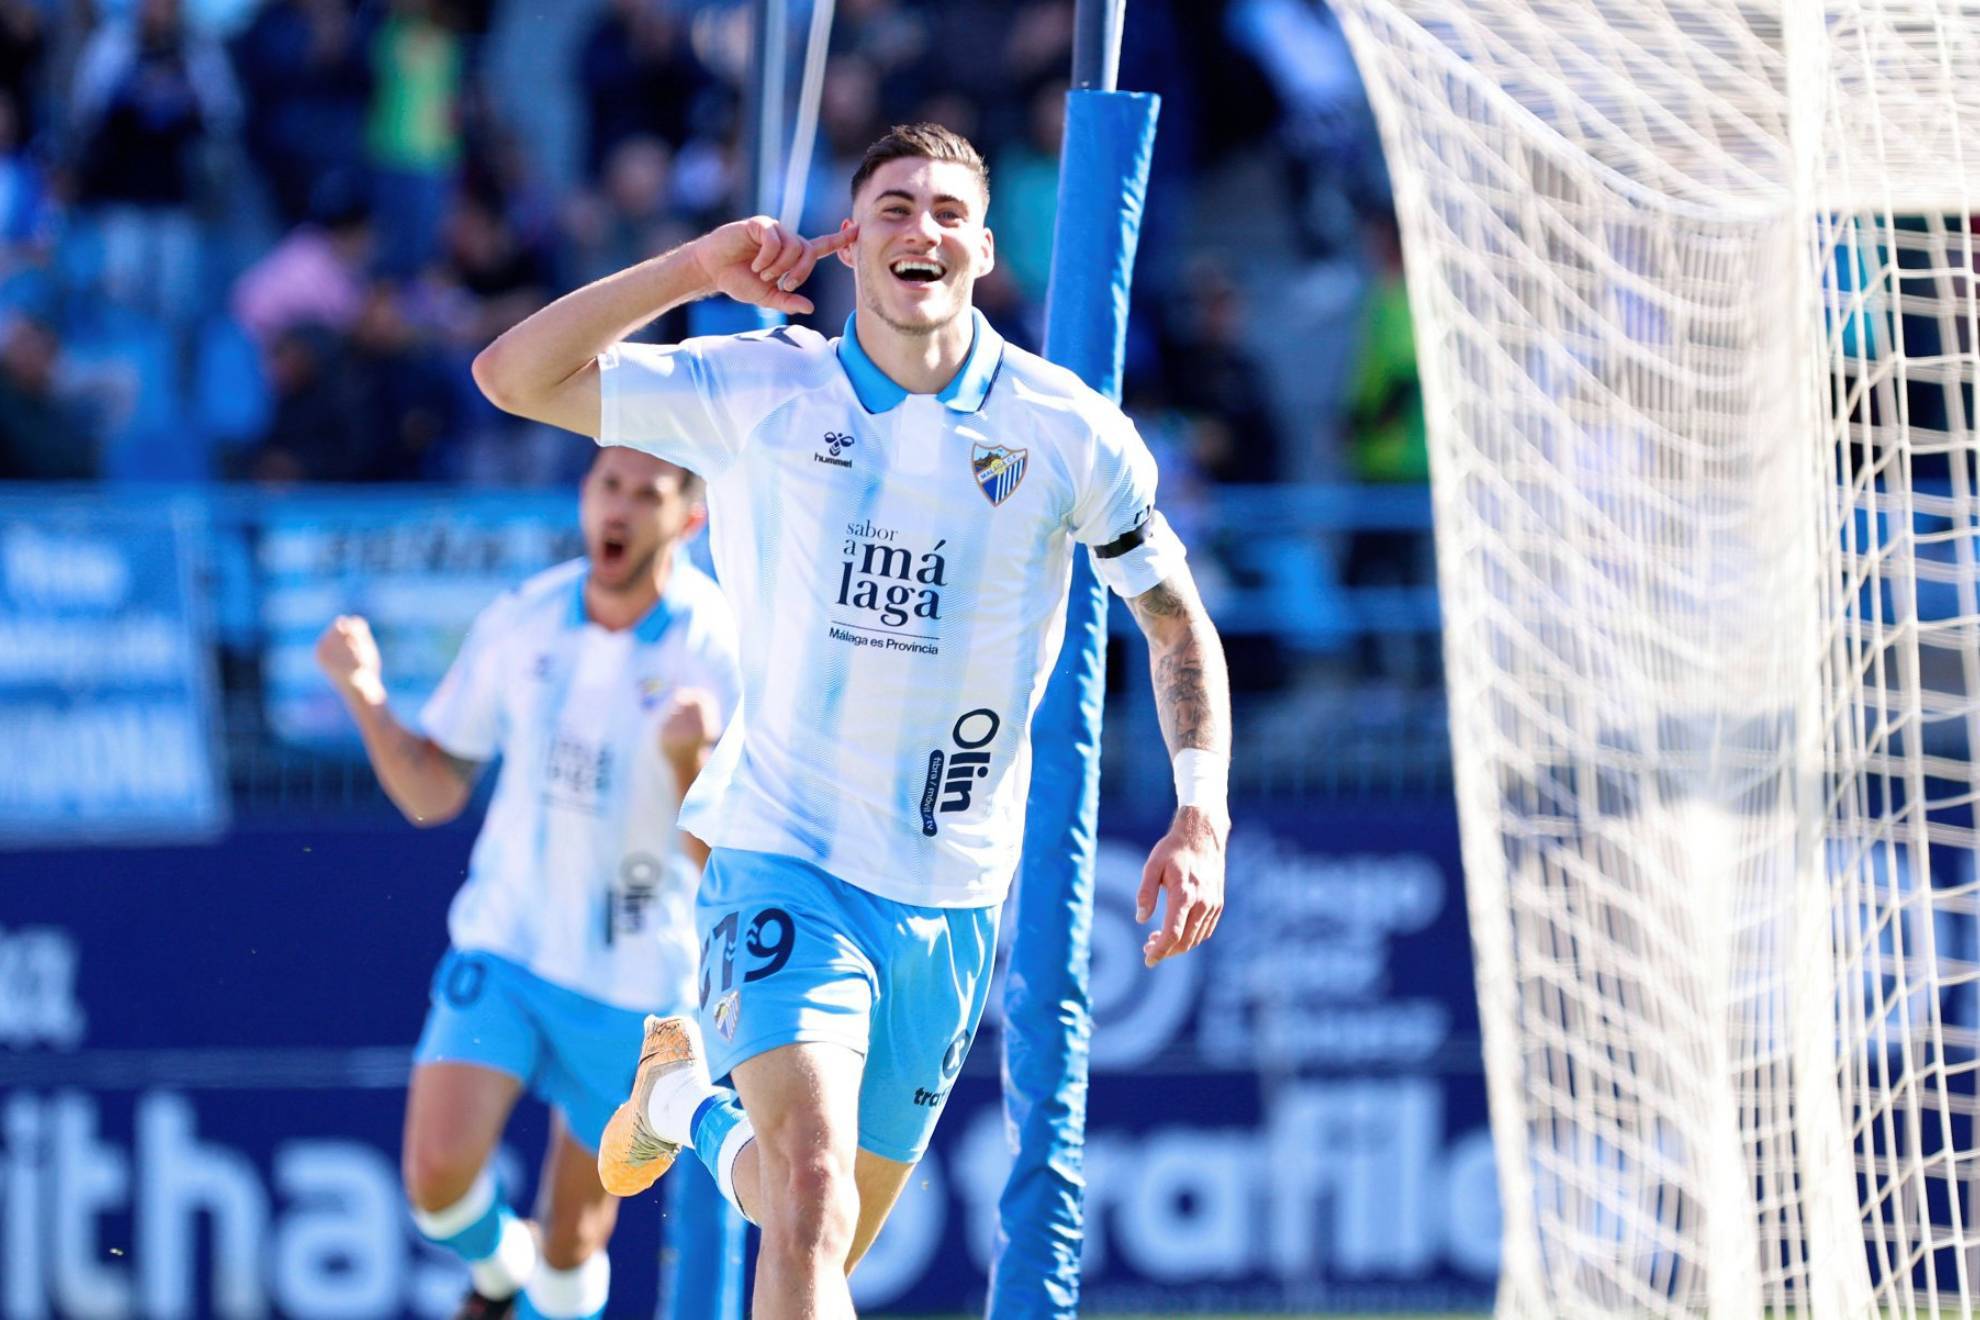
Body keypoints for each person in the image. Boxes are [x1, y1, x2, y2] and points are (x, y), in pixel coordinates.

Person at [472, 122, 1232, 1320]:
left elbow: (1178, 624)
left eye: (943, 212)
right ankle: (690, 1104)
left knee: (811, 1226)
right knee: (813, 1192)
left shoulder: (1065, 428)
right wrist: (688, 274)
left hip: (948, 893)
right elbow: (514, 376)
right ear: (849, 242)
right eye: (890, 207)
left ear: (983, 248)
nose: (917, 230)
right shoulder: (763, 386)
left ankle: (677, 1102)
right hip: (784, 855)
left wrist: (1201, 814)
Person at [313, 446, 746, 1320]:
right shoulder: (526, 619)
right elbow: (436, 788)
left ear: (688, 520)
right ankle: (497, 1265)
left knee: (573, 1244)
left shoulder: (718, 647)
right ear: (585, 498)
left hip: (636, 986)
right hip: (507, 945)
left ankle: (530, 1278)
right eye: (607, 487)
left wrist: (688, 765)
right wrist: (364, 696)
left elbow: (731, 873)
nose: (618, 510)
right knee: (436, 1182)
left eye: (647, 494)